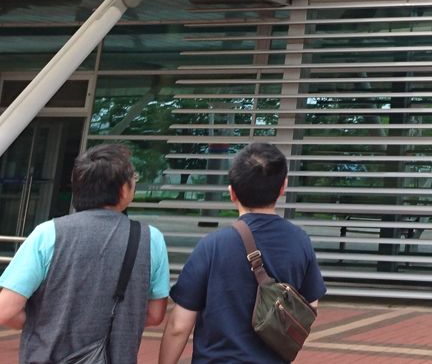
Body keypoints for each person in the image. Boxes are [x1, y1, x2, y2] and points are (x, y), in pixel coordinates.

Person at [0, 143, 169, 363]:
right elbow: (155, 315)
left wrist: (44, 324)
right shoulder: (150, 239)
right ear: (123, 190)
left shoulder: (48, 233)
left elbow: (6, 309)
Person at [158, 142, 325, 364]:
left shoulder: (212, 245)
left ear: (232, 193)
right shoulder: (300, 241)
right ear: (283, 187)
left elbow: (179, 326)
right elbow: (311, 305)